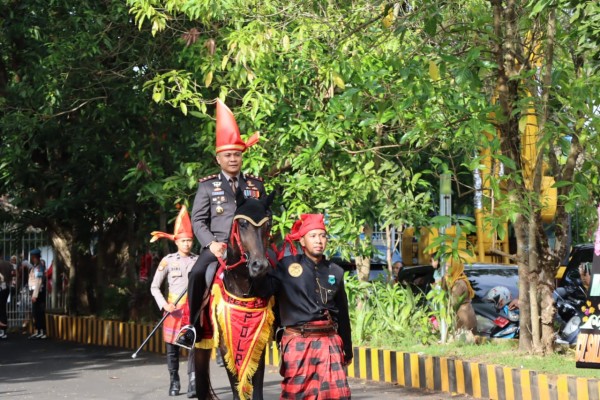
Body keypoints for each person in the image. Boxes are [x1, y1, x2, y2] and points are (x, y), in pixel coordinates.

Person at [179, 99, 266, 348]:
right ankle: (191, 326)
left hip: (251, 245)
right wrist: (211, 244)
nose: (233, 159)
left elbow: (263, 216)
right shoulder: (207, 186)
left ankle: (280, 324)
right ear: (219, 158)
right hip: (219, 246)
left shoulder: (255, 185)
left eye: (237, 155)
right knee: (197, 273)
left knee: (277, 271)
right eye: (228, 155)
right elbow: (198, 220)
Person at [257, 214, 353, 399]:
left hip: (329, 341)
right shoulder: (286, 266)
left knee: (337, 395)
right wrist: (256, 267)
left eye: (322, 236)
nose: (319, 240)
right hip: (297, 341)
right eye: (313, 235)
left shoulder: (335, 271)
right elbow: (264, 292)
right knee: (297, 395)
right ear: (302, 240)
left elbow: (343, 313)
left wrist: (347, 349)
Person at [150, 205, 198, 398]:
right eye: (184, 241)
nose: (187, 244)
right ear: (176, 241)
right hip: (173, 310)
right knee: (172, 350)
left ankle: (194, 381)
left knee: (194, 348)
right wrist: (164, 305)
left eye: (189, 241)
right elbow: (154, 287)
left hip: (193, 311)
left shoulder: (198, 260)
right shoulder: (168, 261)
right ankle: (174, 381)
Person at [442, 257, 477, 333]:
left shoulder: (459, 283)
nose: (446, 269)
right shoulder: (453, 281)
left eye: (449, 266)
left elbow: (451, 303)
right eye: (445, 266)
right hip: (460, 318)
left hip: (464, 320)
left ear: (455, 268)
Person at [27, 248, 47, 339]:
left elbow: (38, 281)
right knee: (35, 312)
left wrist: (34, 295)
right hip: (34, 291)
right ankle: (38, 330)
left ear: (36, 257)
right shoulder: (34, 267)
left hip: (38, 292)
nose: (31, 258)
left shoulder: (39, 268)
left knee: (39, 312)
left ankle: (42, 331)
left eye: (33, 257)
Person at [0, 257, 13, 339]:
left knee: (1, 309)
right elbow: (12, 275)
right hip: (6, 287)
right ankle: (3, 330)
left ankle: (2, 330)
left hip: (1, 287)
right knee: (2, 308)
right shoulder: (8, 264)